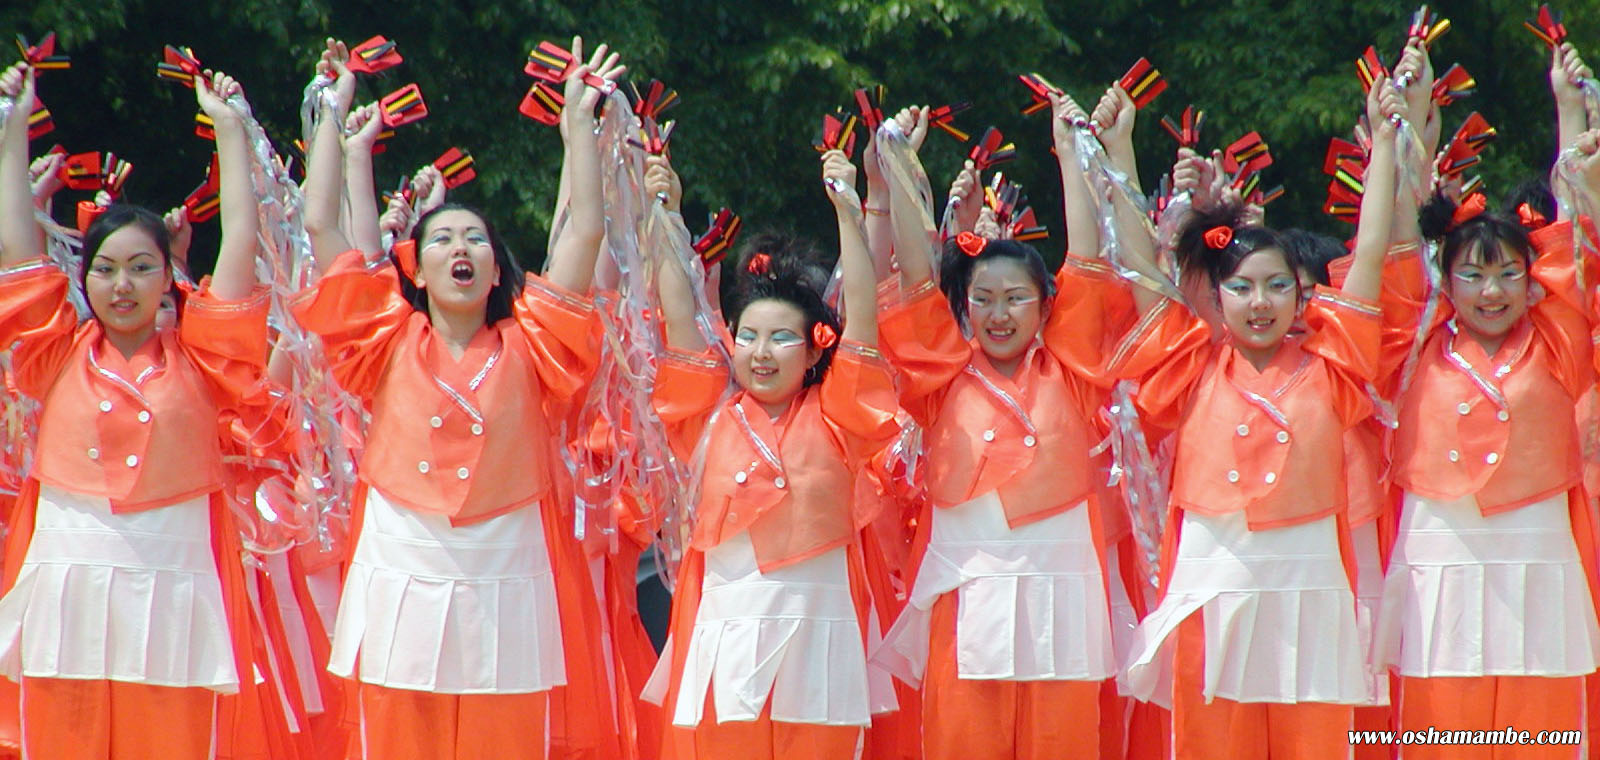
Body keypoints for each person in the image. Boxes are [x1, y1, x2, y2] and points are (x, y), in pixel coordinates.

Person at [290, 36, 624, 759]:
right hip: (400, 553)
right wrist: (332, 113)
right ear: (417, 263)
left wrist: (578, 128)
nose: (460, 247)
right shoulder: (384, 335)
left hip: (509, 560)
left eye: (476, 238)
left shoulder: (534, 341)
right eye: (442, 238)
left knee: (508, 734)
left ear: (497, 266)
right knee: (396, 731)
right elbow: (321, 225)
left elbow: (585, 233)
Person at [1111, 72, 1402, 759]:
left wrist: (1387, 147)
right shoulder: (1191, 366)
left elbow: (1366, 260)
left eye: (1278, 286)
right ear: (1218, 296)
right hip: (1212, 588)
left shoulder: (1333, 369)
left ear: (1302, 299)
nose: (1260, 301)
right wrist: (1120, 148)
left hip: (1312, 588)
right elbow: (1135, 268)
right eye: (1241, 287)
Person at [0, 59, 276, 759]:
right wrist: (11, 130)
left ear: (169, 279)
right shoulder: (53, 352)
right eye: (105, 268)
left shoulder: (205, 357)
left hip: (174, 588)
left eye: (142, 268)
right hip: (67, 585)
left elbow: (239, 241)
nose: (122, 285)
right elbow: (14, 248)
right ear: (82, 277)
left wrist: (231, 130)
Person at [871, 88, 1131, 760]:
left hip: (1064, 592)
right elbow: (917, 276)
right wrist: (898, 164)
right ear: (964, 308)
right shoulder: (940, 379)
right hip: (967, 593)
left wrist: (1072, 148)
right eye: (982, 299)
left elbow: (1089, 260)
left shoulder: (1072, 373)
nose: (999, 313)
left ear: (1047, 307)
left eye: (1016, 298)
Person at [643, 148, 898, 758]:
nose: (762, 351)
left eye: (782, 337)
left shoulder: (841, 416)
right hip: (724, 631)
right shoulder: (707, 419)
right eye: (748, 336)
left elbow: (862, 317)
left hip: (822, 632)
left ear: (814, 352)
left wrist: (848, 213)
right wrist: (666, 216)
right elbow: (679, 315)